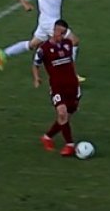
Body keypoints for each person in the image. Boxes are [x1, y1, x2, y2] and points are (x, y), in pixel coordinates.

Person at [32, 19, 83, 157]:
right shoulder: (43, 49)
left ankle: (47, 137)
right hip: (57, 87)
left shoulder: (67, 44)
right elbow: (35, 64)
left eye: (64, 33)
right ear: (54, 31)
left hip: (72, 85)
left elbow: (73, 54)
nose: (62, 36)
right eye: (60, 32)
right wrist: (36, 78)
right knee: (62, 113)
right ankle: (70, 145)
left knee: (66, 116)